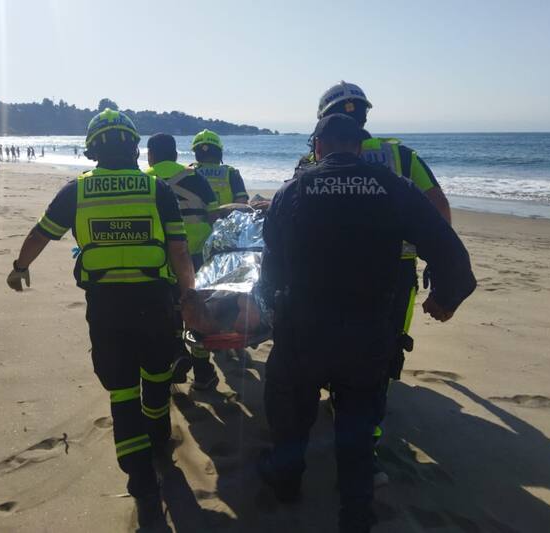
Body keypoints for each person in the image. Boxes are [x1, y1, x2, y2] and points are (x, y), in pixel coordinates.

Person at [255, 114, 476, 532]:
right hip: (368, 330)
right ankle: (355, 513)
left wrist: (271, 309)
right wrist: (445, 299)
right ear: (359, 147)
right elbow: (451, 253)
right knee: (357, 425)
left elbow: (271, 266)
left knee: (290, 412)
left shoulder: (293, 191)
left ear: (318, 147)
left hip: (303, 329)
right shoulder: (394, 188)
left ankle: (286, 480)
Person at [6, 109, 195, 528]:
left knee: (122, 393)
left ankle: (141, 483)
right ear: (134, 148)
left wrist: (19, 268)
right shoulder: (157, 189)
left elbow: (41, 234)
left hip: (106, 308)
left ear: (92, 150)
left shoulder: (77, 191)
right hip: (154, 302)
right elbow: (179, 250)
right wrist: (189, 296)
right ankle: (159, 439)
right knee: (157, 376)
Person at [306, 81, 453, 477]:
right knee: (384, 348)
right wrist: (436, 261)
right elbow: (438, 207)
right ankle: (366, 442)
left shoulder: (317, 156)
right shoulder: (401, 155)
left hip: (328, 272)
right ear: (365, 115)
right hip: (393, 271)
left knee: (326, 339)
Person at [145, 133, 221, 388]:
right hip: (195, 254)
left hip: (160, 256)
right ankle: (202, 371)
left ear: (150, 155)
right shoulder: (196, 177)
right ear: (176, 155)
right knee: (196, 311)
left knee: (169, 310)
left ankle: (177, 352)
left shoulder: (145, 179)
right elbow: (214, 216)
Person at [190, 129, 249, 206]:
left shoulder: (186, 172)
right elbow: (242, 204)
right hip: (225, 213)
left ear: (196, 154)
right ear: (219, 153)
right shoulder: (231, 173)